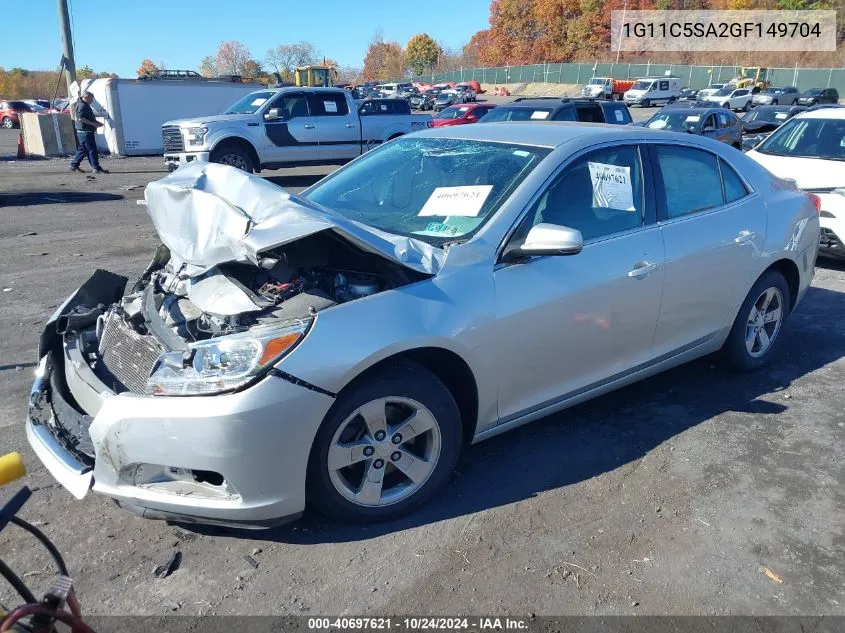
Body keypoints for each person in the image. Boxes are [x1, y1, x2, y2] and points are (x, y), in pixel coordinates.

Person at [70, 91, 108, 174]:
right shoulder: (82, 106)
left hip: (84, 130)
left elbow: (87, 118)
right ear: (86, 97)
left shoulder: (84, 105)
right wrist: (93, 123)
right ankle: (96, 167)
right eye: (91, 99)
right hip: (85, 131)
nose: (92, 101)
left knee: (83, 149)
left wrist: (96, 123)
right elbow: (81, 119)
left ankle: (74, 165)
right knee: (91, 150)